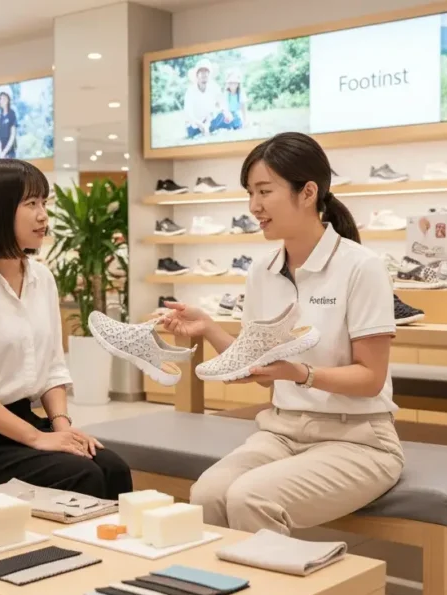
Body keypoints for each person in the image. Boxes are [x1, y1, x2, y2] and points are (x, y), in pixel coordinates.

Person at [162, 132, 404, 534]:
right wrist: (208, 328)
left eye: (264, 192)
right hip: (281, 429)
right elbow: (258, 367)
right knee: (206, 495)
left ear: (307, 192)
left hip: (359, 439)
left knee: (249, 498)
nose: (254, 207)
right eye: (250, 193)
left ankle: (280, 594)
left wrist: (302, 374)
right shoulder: (262, 270)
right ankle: (225, 592)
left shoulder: (362, 267)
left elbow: (370, 378)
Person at [0, 159, 132, 500]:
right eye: (31, 204)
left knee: (112, 468)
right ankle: (65, 553)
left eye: (44, 203)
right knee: (81, 476)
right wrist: (39, 438)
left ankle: (111, 552)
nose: (43, 216)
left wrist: (63, 429)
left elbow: (52, 367)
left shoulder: (42, 279)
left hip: (20, 422)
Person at [184, 58, 224, 139]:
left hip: (209, 121)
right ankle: (204, 131)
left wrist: (208, 122)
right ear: (197, 75)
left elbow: (220, 105)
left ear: (209, 74)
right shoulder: (190, 91)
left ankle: (210, 130)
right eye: (201, 71)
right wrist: (200, 124)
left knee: (222, 115)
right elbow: (188, 113)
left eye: (206, 71)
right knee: (192, 130)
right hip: (195, 124)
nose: (204, 74)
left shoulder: (214, 87)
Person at [0, 88, 18, 158]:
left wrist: (4, 152)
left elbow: (12, 136)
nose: (1, 101)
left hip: (10, 153)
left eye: (3, 98)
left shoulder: (12, 114)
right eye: (0, 99)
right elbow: (0, 137)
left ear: (8, 100)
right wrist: (0, 151)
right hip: (2, 154)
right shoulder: (0, 116)